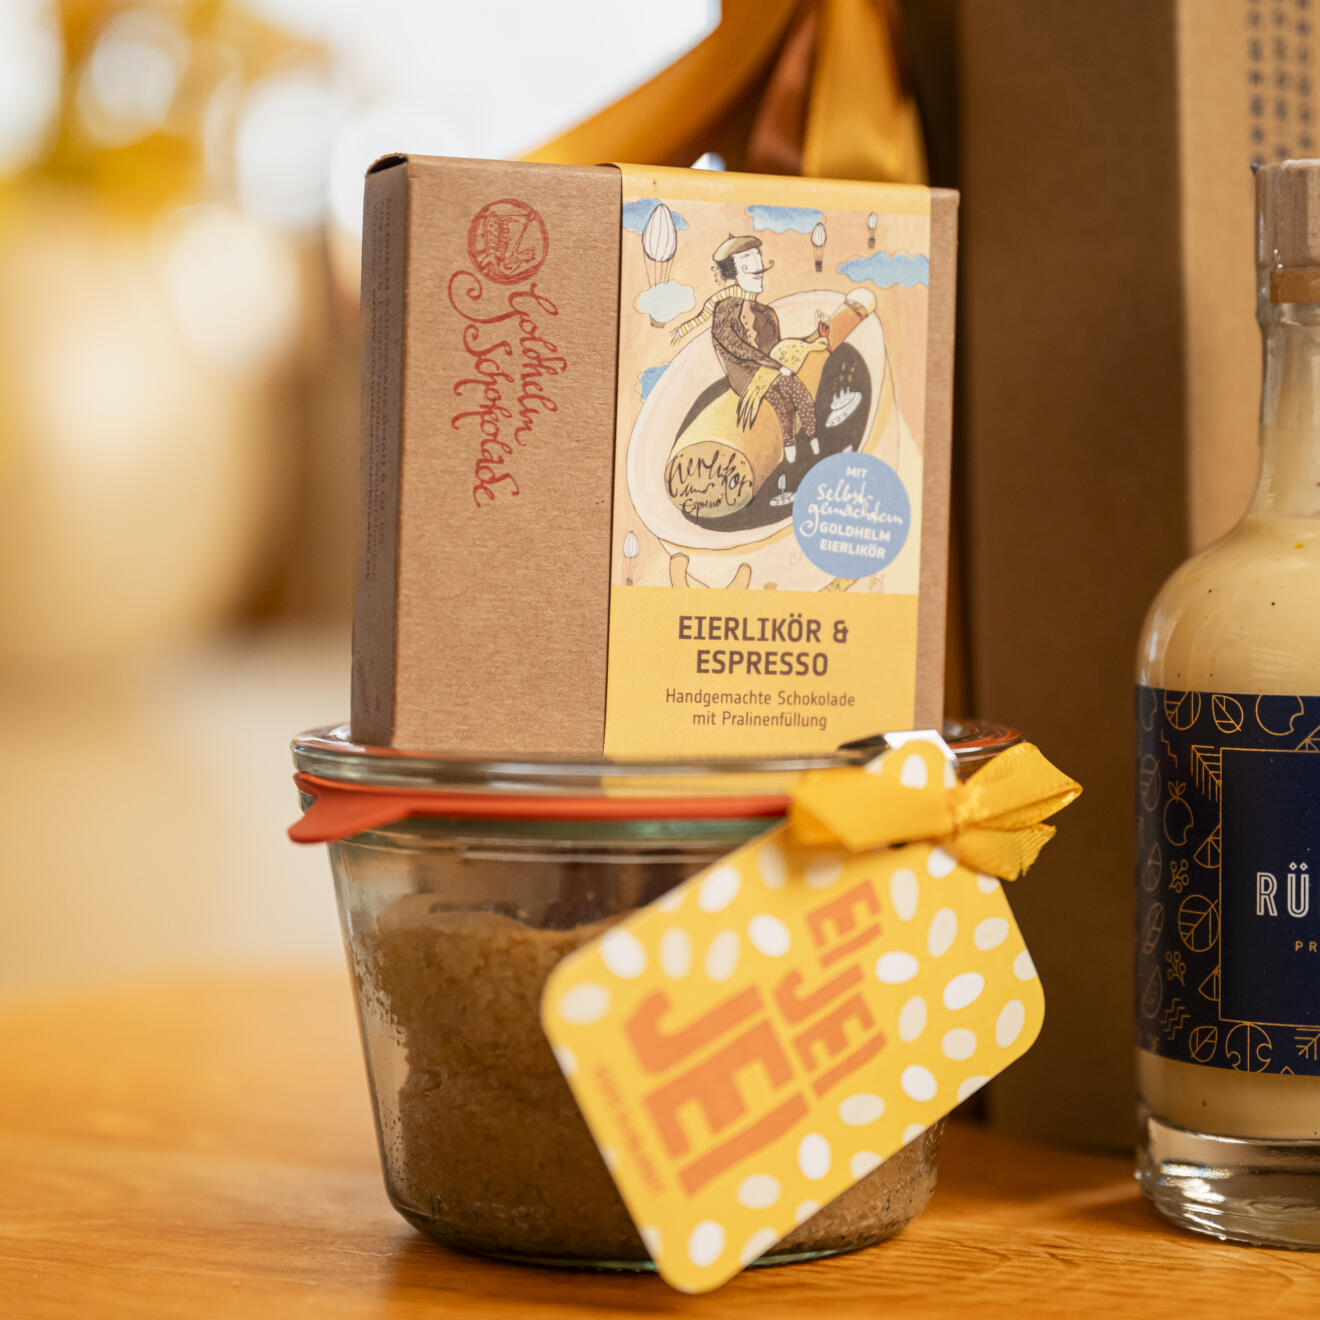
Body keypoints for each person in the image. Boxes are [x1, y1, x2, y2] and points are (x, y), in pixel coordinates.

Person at [670, 235, 820, 465]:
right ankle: (789, 444)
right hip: (746, 376)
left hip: (769, 370)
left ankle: (813, 436)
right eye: (749, 261)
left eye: (757, 258)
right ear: (736, 271)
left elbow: (775, 348)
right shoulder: (725, 309)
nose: (758, 266)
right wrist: (776, 366)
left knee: (799, 392)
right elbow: (735, 347)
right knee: (781, 402)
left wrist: (800, 349)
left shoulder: (767, 312)